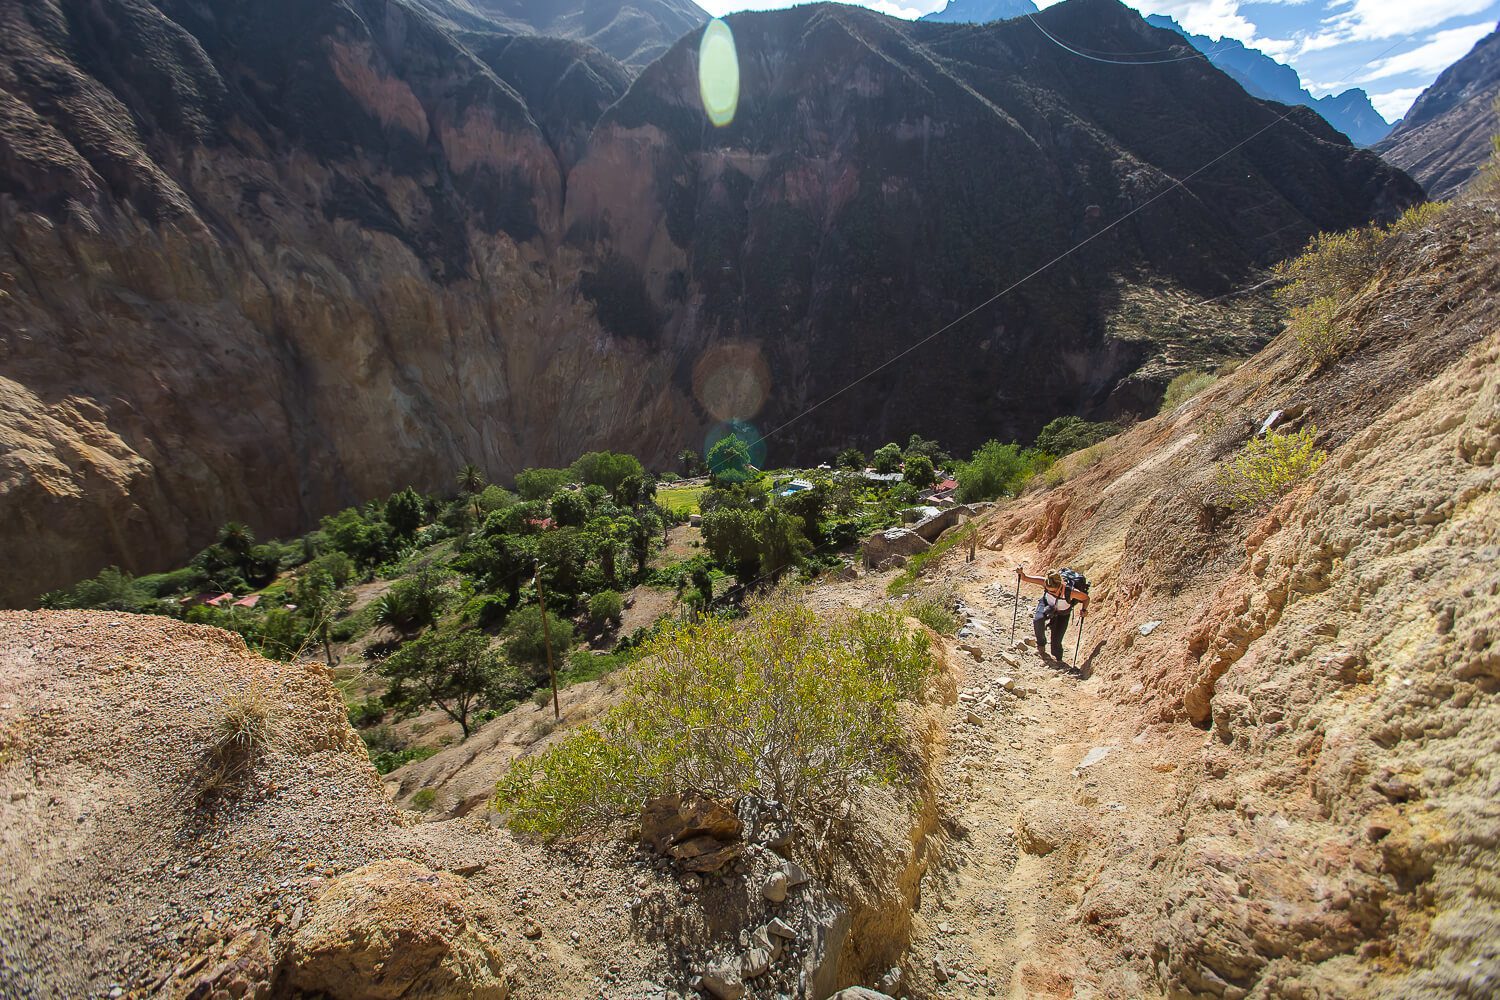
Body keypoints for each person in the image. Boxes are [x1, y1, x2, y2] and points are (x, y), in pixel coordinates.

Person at [1015, 565, 1089, 661]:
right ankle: (1041, 644)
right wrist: (1020, 573)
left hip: (1063, 614)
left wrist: (1084, 610)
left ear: (1060, 586)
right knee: (1038, 620)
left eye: (1053, 591)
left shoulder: (1070, 591)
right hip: (1046, 605)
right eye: (1049, 591)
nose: (1052, 593)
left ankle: (1059, 661)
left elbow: (1086, 598)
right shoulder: (1046, 582)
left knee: (1056, 645)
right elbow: (1025, 578)